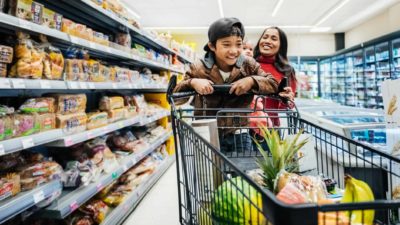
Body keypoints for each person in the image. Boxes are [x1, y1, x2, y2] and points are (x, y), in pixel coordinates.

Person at [173, 17, 278, 153]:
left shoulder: (249, 65)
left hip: (240, 131)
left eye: (238, 44)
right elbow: (176, 98)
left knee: (241, 171)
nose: (234, 50)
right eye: (226, 44)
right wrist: (193, 83)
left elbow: (273, 83)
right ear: (212, 46)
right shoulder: (198, 67)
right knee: (210, 173)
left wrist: (252, 80)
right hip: (208, 132)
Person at [250, 26, 297, 151]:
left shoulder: (286, 70)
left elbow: (289, 105)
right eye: (265, 37)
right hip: (242, 127)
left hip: (269, 128)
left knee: (269, 167)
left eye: (273, 38)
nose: (267, 41)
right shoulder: (248, 63)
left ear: (281, 45)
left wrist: (287, 100)